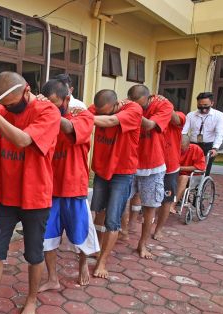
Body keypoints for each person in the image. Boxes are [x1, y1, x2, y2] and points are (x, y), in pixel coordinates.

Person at [0, 72, 60, 314]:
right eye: (5, 104)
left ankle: (31, 300)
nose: (9, 108)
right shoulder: (4, 109)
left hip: (35, 196)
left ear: (27, 90)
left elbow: (22, 140)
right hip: (4, 193)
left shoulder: (48, 112)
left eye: (12, 103)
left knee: (33, 253)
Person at [36, 79, 98, 291]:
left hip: (74, 187)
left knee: (81, 234)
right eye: (48, 104)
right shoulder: (41, 116)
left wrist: (49, 112)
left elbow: (70, 128)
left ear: (67, 99)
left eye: (56, 104)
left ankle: (83, 265)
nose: (52, 108)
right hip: (49, 189)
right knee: (47, 238)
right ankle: (52, 278)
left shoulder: (83, 116)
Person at [88, 90, 143, 279]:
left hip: (122, 173)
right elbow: (83, 114)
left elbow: (111, 122)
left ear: (116, 105)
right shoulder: (99, 108)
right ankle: (96, 249)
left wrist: (87, 118)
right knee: (99, 213)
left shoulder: (133, 109)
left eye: (106, 113)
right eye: (99, 112)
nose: (102, 116)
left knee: (113, 219)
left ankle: (103, 262)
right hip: (102, 172)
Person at [126, 86, 174, 259]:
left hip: (153, 165)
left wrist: (133, 112)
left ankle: (143, 244)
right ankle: (123, 233)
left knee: (150, 207)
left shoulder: (164, 105)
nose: (137, 107)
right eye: (133, 104)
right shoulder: (129, 104)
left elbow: (150, 125)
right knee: (121, 202)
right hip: (129, 162)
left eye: (140, 105)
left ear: (148, 98)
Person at [153, 110, 184, 237]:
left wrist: (164, 106)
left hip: (169, 168)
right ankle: (136, 225)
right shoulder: (152, 119)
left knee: (166, 200)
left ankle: (158, 229)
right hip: (152, 166)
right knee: (145, 198)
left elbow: (177, 119)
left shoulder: (177, 116)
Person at [182, 92, 223, 175]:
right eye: (200, 105)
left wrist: (215, 148)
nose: (203, 107)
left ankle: (201, 185)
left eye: (205, 104)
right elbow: (183, 131)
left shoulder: (219, 115)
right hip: (192, 144)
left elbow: (220, 133)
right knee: (188, 166)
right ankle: (187, 184)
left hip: (209, 146)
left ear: (212, 103)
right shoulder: (190, 115)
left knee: (204, 169)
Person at [176, 135, 207, 204]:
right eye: (179, 148)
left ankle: (172, 205)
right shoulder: (174, 148)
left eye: (182, 149)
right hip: (176, 174)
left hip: (193, 176)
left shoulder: (196, 149)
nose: (180, 151)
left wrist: (180, 168)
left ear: (188, 145)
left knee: (183, 177)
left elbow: (201, 167)